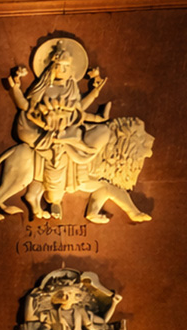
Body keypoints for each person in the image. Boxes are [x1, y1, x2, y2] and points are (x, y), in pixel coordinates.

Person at [7, 42, 113, 207]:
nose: (62, 71)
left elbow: (80, 108)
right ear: (51, 67)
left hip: (66, 132)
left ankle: (64, 191)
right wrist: (16, 88)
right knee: (55, 160)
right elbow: (27, 106)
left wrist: (94, 92)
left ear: (71, 69)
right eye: (59, 66)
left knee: (78, 143)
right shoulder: (43, 87)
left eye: (66, 67)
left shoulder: (71, 87)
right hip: (44, 131)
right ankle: (52, 197)